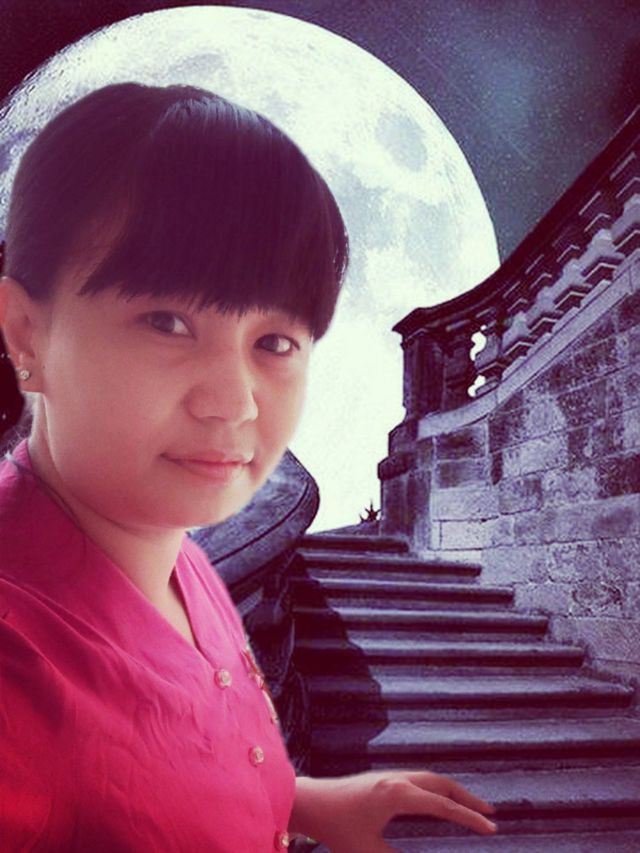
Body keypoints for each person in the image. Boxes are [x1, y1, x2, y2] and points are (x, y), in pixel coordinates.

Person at [0, 81, 497, 852]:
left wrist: (308, 803)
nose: (236, 403)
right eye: (166, 321)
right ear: (27, 335)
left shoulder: (181, 560)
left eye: (274, 340)